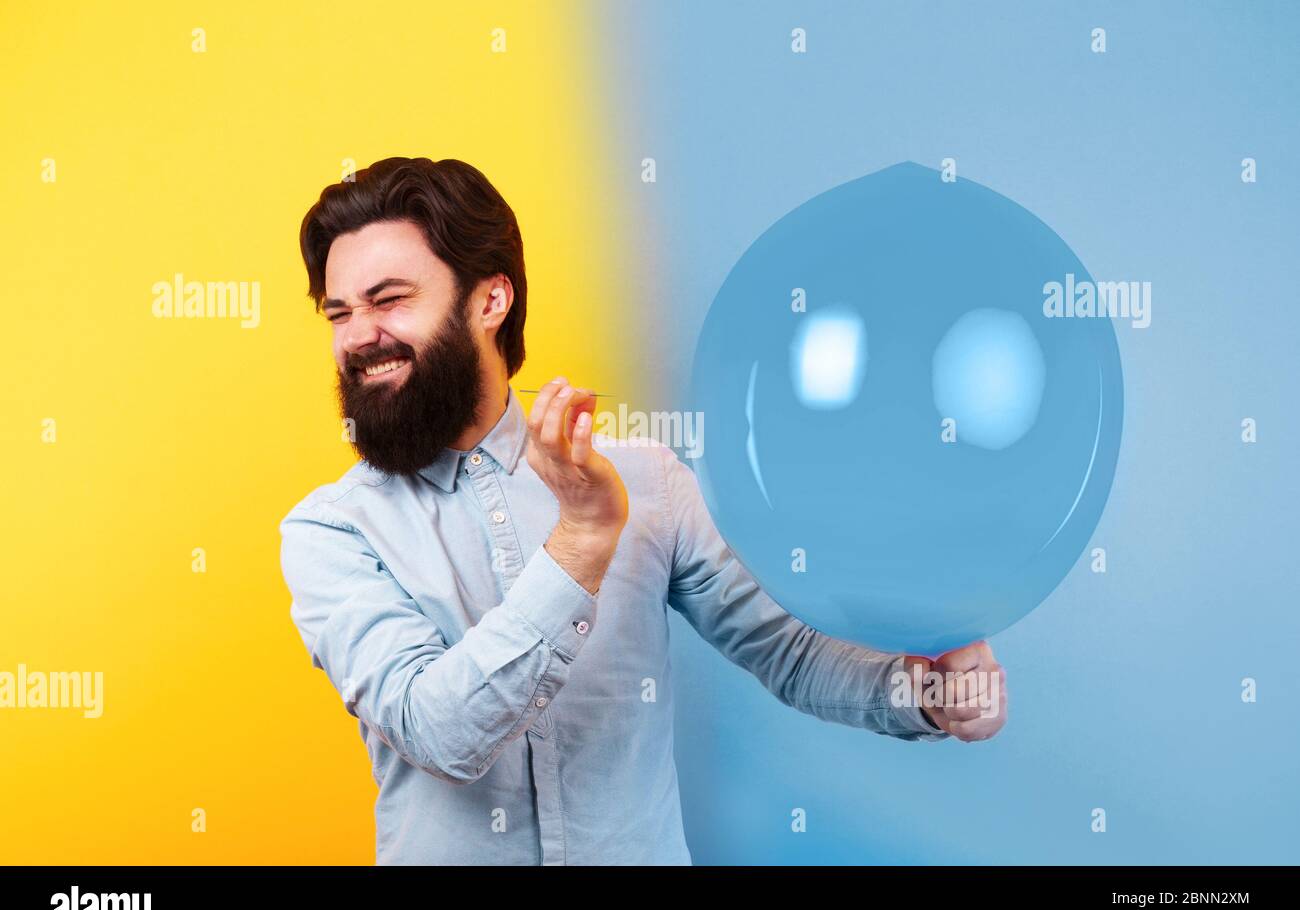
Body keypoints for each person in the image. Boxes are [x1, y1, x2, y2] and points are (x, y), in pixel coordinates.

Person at [281, 156, 1007, 865]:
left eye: (389, 300)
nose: (358, 337)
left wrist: (927, 691)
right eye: (340, 312)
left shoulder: (645, 479)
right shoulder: (331, 533)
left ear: (490, 301)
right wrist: (583, 539)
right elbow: (437, 733)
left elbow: (788, 651)